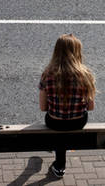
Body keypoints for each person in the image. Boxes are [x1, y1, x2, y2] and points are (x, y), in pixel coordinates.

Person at [38, 34, 96, 178]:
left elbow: (43, 107)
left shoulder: (47, 75)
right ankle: (59, 165)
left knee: (58, 123)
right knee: (68, 123)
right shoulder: (86, 75)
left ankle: (59, 165)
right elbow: (90, 107)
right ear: (77, 51)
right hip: (78, 122)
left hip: (54, 122)